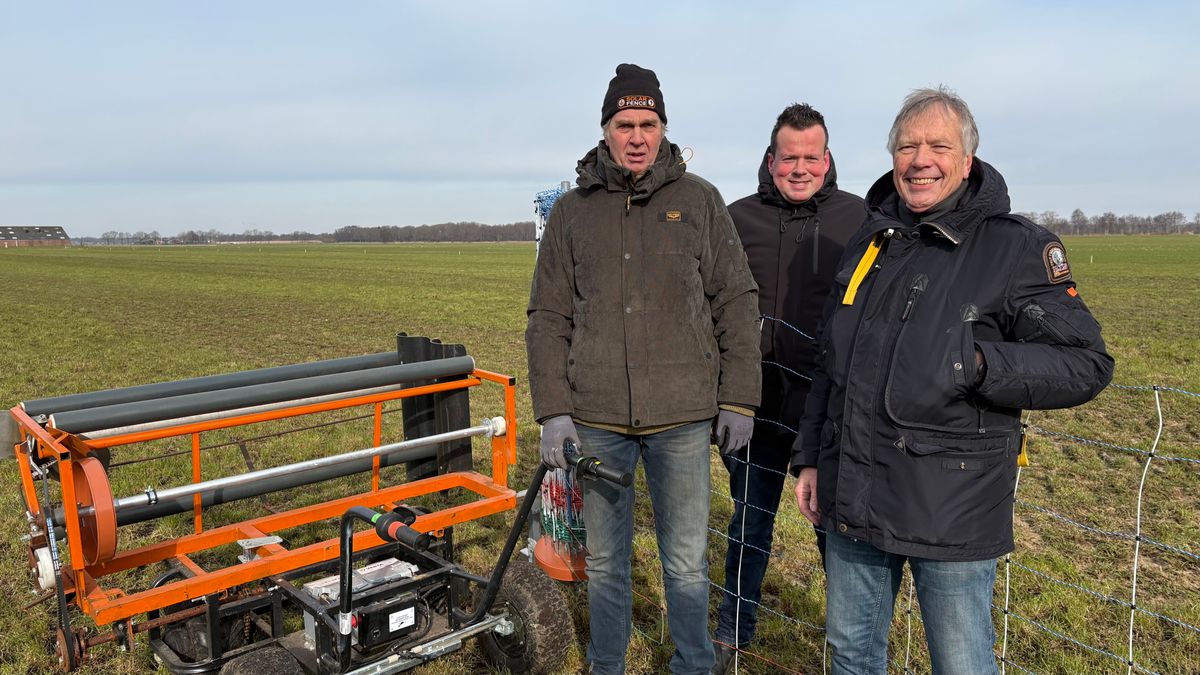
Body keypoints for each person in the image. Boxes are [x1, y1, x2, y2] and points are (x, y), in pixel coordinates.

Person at [791, 87, 1113, 674]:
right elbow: (830, 363)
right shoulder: (872, 240)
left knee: (961, 662)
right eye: (907, 146)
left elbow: (1086, 362)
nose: (921, 160)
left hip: (952, 505)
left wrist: (980, 364)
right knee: (849, 654)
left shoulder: (1014, 247)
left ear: (967, 160)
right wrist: (811, 457)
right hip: (855, 492)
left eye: (939, 145)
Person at [525, 64, 761, 675]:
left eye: (648, 124)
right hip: (597, 418)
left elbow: (736, 301)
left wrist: (739, 399)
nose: (636, 136)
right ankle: (609, 664)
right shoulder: (573, 213)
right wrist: (553, 410)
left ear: (663, 129)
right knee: (605, 561)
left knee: (684, 559)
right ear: (605, 131)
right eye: (624, 124)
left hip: (683, 418)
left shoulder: (700, 201)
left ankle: (692, 663)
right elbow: (547, 316)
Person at [712, 103, 864, 674]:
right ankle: (733, 634)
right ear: (770, 159)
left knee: (835, 530)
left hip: (829, 411)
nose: (799, 168)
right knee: (750, 522)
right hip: (755, 406)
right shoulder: (736, 219)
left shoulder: (861, 219)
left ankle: (850, 647)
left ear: (827, 160)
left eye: (810, 157)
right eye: (788, 157)